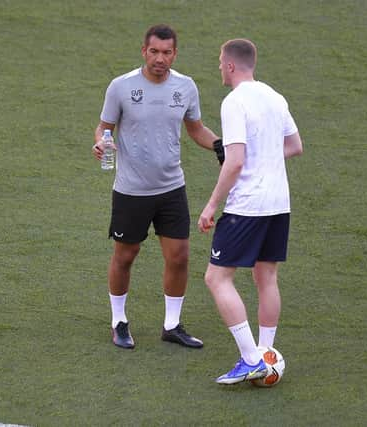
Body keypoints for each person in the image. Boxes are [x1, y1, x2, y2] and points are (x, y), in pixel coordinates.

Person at [92, 24, 221, 350]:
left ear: (174, 54)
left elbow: (196, 129)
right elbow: (104, 128)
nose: (160, 58)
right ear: (144, 51)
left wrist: (220, 144)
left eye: (166, 52)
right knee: (126, 254)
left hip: (171, 188)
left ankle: (172, 325)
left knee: (179, 256)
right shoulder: (121, 87)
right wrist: (100, 144)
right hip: (131, 190)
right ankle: (119, 321)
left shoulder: (186, 87)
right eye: (154, 52)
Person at [197, 38, 303, 383]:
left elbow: (236, 161)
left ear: (229, 65)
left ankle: (250, 357)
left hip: (248, 205)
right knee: (266, 277)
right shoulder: (275, 97)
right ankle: (266, 353)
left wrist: (212, 205)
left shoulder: (234, 102)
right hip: (278, 203)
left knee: (216, 278)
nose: (218, 68)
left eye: (219, 63)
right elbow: (294, 146)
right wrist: (265, 157)